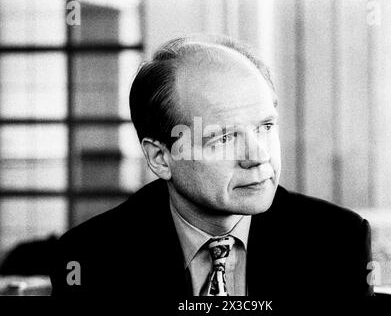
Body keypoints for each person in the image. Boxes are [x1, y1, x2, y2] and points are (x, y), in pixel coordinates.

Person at [50, 35, 373, 297]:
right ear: (161, 158)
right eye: (224, 138)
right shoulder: (93, 256)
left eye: (265, 127)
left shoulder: (336, 240)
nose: (258, 156)